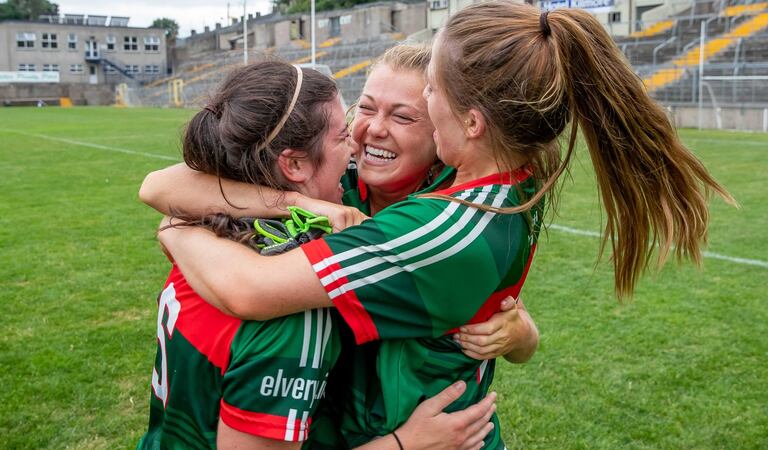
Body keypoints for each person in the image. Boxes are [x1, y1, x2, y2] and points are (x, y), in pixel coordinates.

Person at [156, 2, 736, 447]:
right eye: (365, 107)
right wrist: (297, 205)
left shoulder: (441, 229)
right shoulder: (467, 177)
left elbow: (248, 289)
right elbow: (159, 185)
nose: (367, 130)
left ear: (467, 124)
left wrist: (180, 230)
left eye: (422, 97)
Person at [138, 61, 496, 450]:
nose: (360, 141)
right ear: (292, 164)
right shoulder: (294, 307)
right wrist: (404, 445)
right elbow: (158, 189)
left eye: (404, 116)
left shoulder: (217, 229)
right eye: (349, 128)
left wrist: (177, 229)